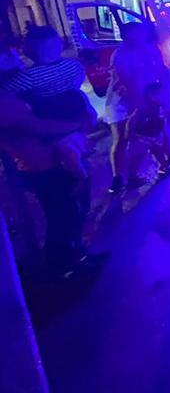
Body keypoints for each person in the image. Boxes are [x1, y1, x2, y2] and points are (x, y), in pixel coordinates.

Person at [0, 36, 103, 279]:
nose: (17, 58)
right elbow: (38, 127)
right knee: (62, 215)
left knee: (74, 210)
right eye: (10, 55)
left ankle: (77, 255)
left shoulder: (23, 93)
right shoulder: (9, 101)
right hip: (41, 166)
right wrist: (76, 124)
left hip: (52, 159)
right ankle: (64, 267)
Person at [1, 26, 93, 180]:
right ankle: (81, 158)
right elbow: (78, 80)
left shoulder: (30, 75)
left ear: (28, 51)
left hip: (52, 111)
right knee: (73, 138)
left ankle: (79, 173)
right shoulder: (73, 65)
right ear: (59, 45)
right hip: (75, 104)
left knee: (61, 142)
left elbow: (7, 90)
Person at [104, 22, 169, 193]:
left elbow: (160, 72)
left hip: (145, 98)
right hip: (122, 101)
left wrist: (160, 95)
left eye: (141, 33)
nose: (140, 36)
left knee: (145, 136)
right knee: (121, 139)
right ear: (125, 36)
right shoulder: (121, 54)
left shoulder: (151, 50)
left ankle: (155, 166)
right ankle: (117, 178)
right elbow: (126, 80)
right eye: (135, 33)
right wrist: (140, 104)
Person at [122, 82, 170, 186]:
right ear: (151, 94)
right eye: (158, 93)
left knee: (159, 148)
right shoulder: (143, 106)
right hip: (141, 136)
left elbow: (163, 118)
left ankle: (163, 165)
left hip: (152, 135)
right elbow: (131, 122)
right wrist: (133, 136)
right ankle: (132, 178)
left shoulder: (158, 105)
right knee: (137, 156)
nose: (161, 95)